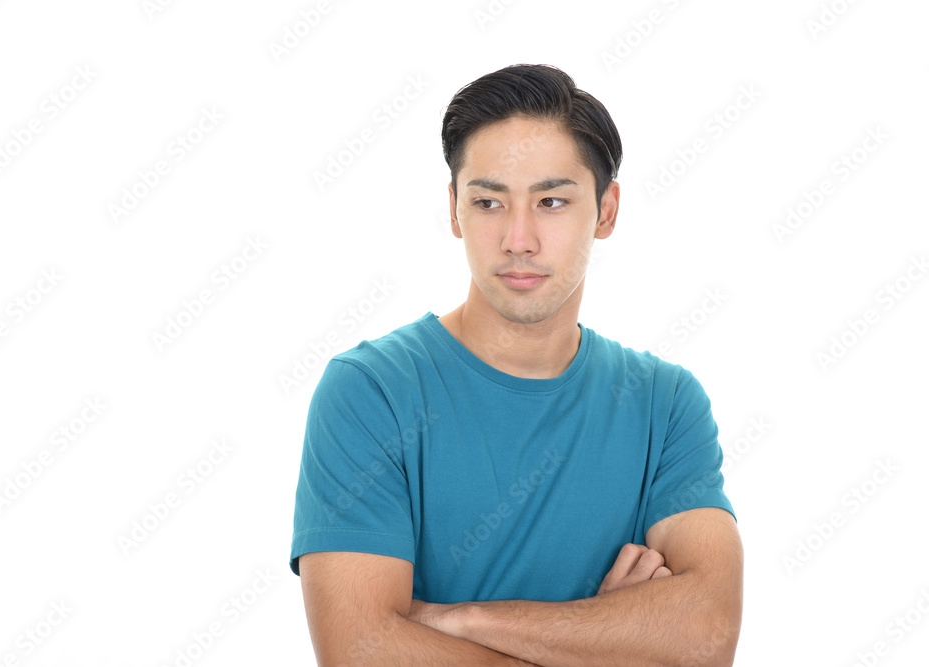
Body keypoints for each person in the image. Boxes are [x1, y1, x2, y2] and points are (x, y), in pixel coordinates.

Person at [289, 63, 743, 666]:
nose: (518, 239)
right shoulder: (372, 393)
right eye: (488, 202)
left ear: (606, 211)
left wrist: (458, 620)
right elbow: (359, 652)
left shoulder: (665, 404)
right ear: (455, 211)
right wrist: (609, 641)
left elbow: (707, 636)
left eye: (551, 201)